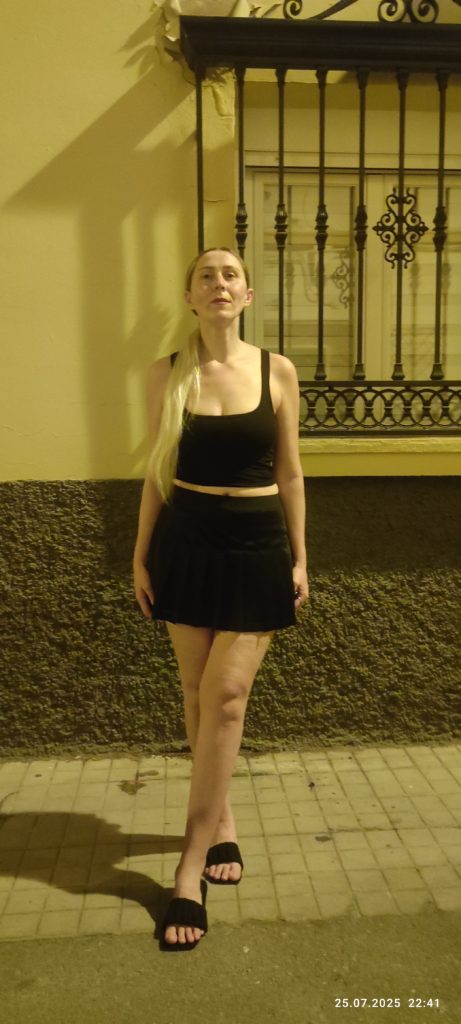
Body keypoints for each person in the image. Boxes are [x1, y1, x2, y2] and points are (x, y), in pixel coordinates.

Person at [133, 247, 309, 951]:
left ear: (248, 295)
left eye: (230, 274)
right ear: (190, 297)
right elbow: (156, 470)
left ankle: (188, 866)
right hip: (187, 536)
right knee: (195, 689)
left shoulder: (276, 371)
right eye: (205, 275)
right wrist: (140, 554)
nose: (219, 283)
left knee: (226, 695)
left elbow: (291, 472)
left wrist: (300, 555)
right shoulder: (167, 373)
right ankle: (222, 821)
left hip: (257, 541)